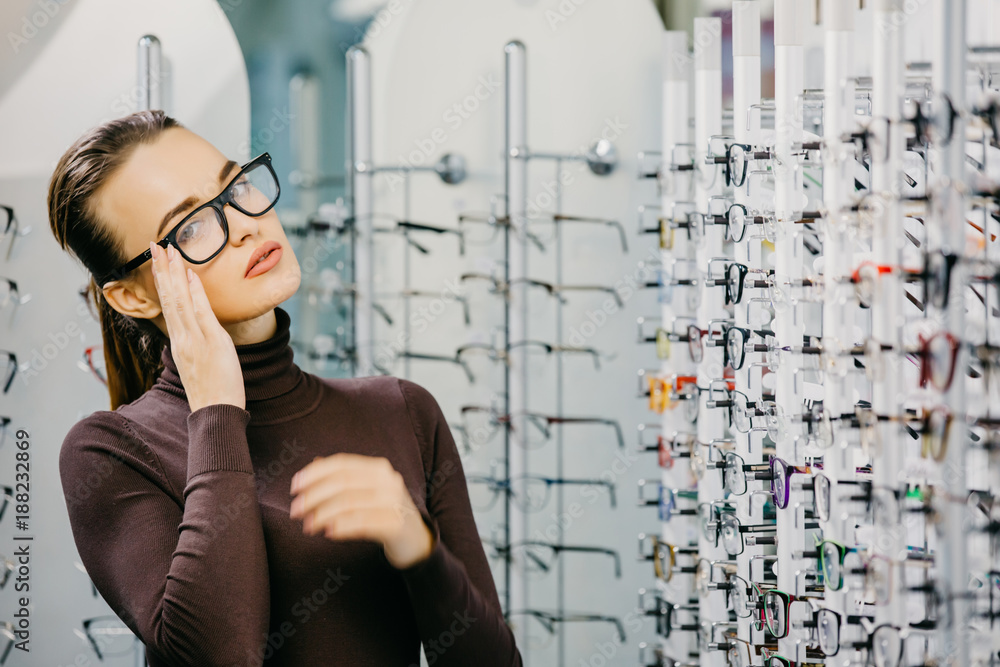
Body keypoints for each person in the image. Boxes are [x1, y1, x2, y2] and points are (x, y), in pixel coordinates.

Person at [47, 109, 522, 666]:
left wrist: (417, 547)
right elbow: (223, 656)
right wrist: (218, 411)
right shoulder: (108, 453)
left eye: (237, 186)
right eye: (193, 225)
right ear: (134, 297)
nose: (247, 224)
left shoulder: (402, 411)